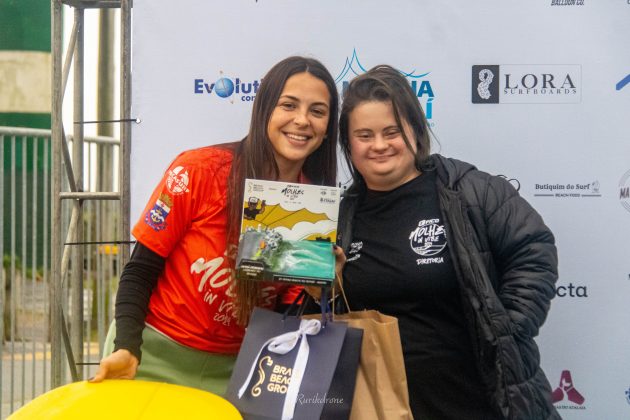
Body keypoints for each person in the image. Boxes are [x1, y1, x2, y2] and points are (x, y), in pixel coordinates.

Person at [90, 56, 340, 395]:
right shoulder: (199, 171)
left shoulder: (311, 207)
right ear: (264, 108)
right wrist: (126, 346)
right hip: (151, 356)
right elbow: (140, 270)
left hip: (240, 371)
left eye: (317, 111)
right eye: (289, 105)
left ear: (327, 128)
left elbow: (285, 317)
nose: (301, 120)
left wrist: (320, 290)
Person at [336, 65, 560, 419]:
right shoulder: (337, 219)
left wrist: (504, 333)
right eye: (365, 135)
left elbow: (533, 250)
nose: (379, 145)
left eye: (392, 131)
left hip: (475, 402)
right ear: (349, 143)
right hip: (380, 408)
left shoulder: (470, 191)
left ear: (415, 129)